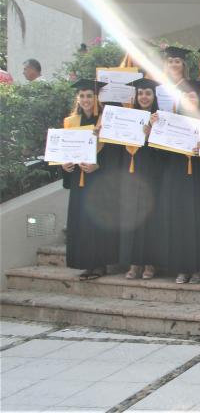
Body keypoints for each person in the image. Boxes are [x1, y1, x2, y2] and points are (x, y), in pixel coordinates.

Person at [62, 79, 118, 280]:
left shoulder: (105, 121)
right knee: (81, 221)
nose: (85, 100)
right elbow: (65, 149)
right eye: (82, 96)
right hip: (79, 178)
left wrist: (99, 165)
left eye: (89, 96)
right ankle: (86, 264)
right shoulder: (71, 122)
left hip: (99, 179)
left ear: (96, 98)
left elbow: (114, 152)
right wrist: (64, 165)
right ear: (78, 98)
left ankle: (100, 264)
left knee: (96, 221)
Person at [159, 80, 200, 284]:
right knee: (180, 223)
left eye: (192, 96)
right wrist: (155, 130)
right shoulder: (172, 122)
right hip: (178, 178)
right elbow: (162, 154)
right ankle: (182, 268)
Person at [119, 78, 165, 280]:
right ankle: (134, 262)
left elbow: (166, 153)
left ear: (154, 96)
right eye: (140, 93)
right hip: (131, 173)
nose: (144, 97)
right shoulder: (128, 117)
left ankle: (150, 263)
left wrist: (151, 136)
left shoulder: (161, 118)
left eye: (148, 93)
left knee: (150, 220)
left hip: (152, 175)